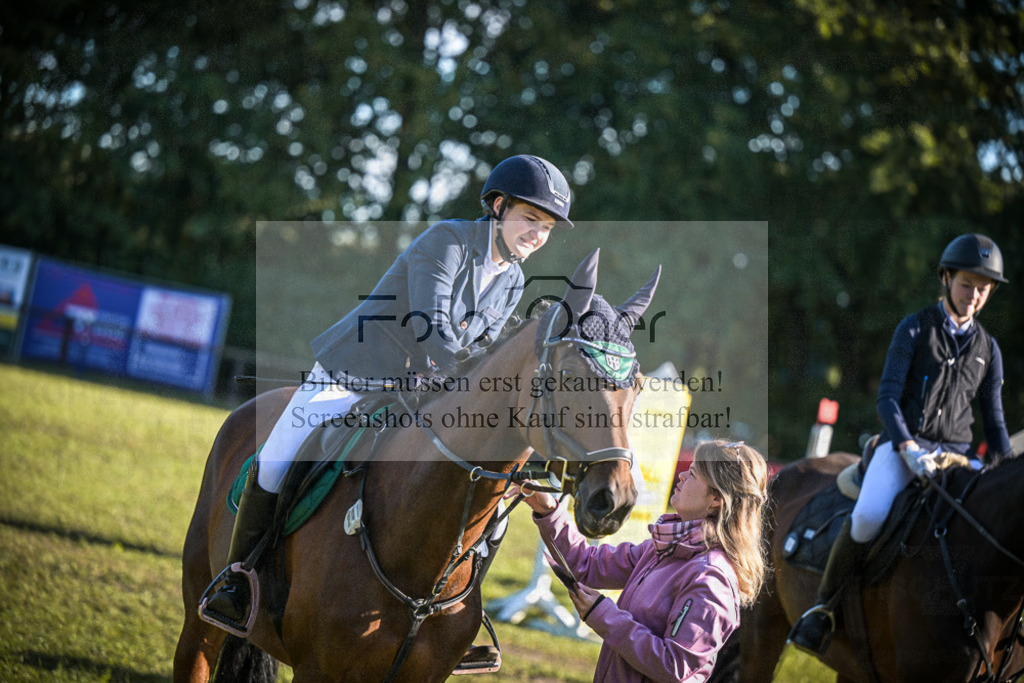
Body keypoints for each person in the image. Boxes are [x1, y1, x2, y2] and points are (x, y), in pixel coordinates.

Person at [200, 154, 574, 640]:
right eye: (531, 219)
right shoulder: (448, 242)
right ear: (499, 206)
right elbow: (431, 326)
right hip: (354, 373)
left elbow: (485, 350)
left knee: (489, 491)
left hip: (420, 393)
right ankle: (239, 581)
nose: (538, 234)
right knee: (274, 460)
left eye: (546, 227)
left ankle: (460, 607)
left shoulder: (514, 279)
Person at [788, 232, 1013, 654]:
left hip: (958, 460)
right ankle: (822, 609)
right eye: (967, 285)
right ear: (946, 278)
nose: (974, 296)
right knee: (870, 515)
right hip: (904, 447)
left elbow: (995, 423)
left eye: (983, 289)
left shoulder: (989, 349)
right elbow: (888, 398)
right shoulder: (914, 328)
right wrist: (908, 447)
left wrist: (1006, 470)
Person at [516, 439, 769, 682]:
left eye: (692, 474)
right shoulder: (663, 548)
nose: (681, 477)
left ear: (717, 499)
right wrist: (548, 510)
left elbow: (675, 666)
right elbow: (587, 565)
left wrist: (602, 615)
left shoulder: (711, 579)